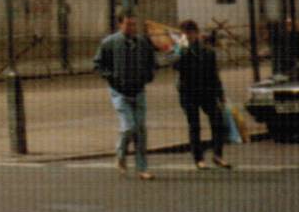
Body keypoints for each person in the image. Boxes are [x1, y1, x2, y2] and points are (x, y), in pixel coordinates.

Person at [94, 10, 159, 180]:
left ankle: (142, 168)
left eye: (134, 24)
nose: (132, 27)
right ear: (120, 24)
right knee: (129, 126)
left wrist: (148, 75)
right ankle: (121, 154)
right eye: (128, 24)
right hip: (119, 92)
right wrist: (111, 77)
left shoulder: (143, 42)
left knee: (141, 130)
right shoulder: (109, 43)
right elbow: (98, 64)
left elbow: (152, 61)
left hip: (138, 90)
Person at [173, 20, 231, 170]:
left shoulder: (207, 52)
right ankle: (198, 158)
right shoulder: (181, 51)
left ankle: (218, 155)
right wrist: (181, 48)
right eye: (186, 34)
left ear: (196, 33)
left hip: (206, 91)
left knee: (218, 121)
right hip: (188, 93)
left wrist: (221, 95)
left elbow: (214, 75)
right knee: (195, 125)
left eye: (192, 33)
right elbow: (175, 65)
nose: (190, 37)